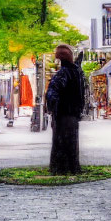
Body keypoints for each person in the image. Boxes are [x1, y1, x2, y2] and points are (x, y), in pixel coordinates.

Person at [45, 44, 85, 175]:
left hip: (64, 114)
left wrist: (53, 109)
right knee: (70, 143)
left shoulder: (64, 73)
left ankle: (61, 168)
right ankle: (70, 168)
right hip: (70, 114)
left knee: (62, 143)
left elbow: (52, 93)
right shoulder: (75, 72)